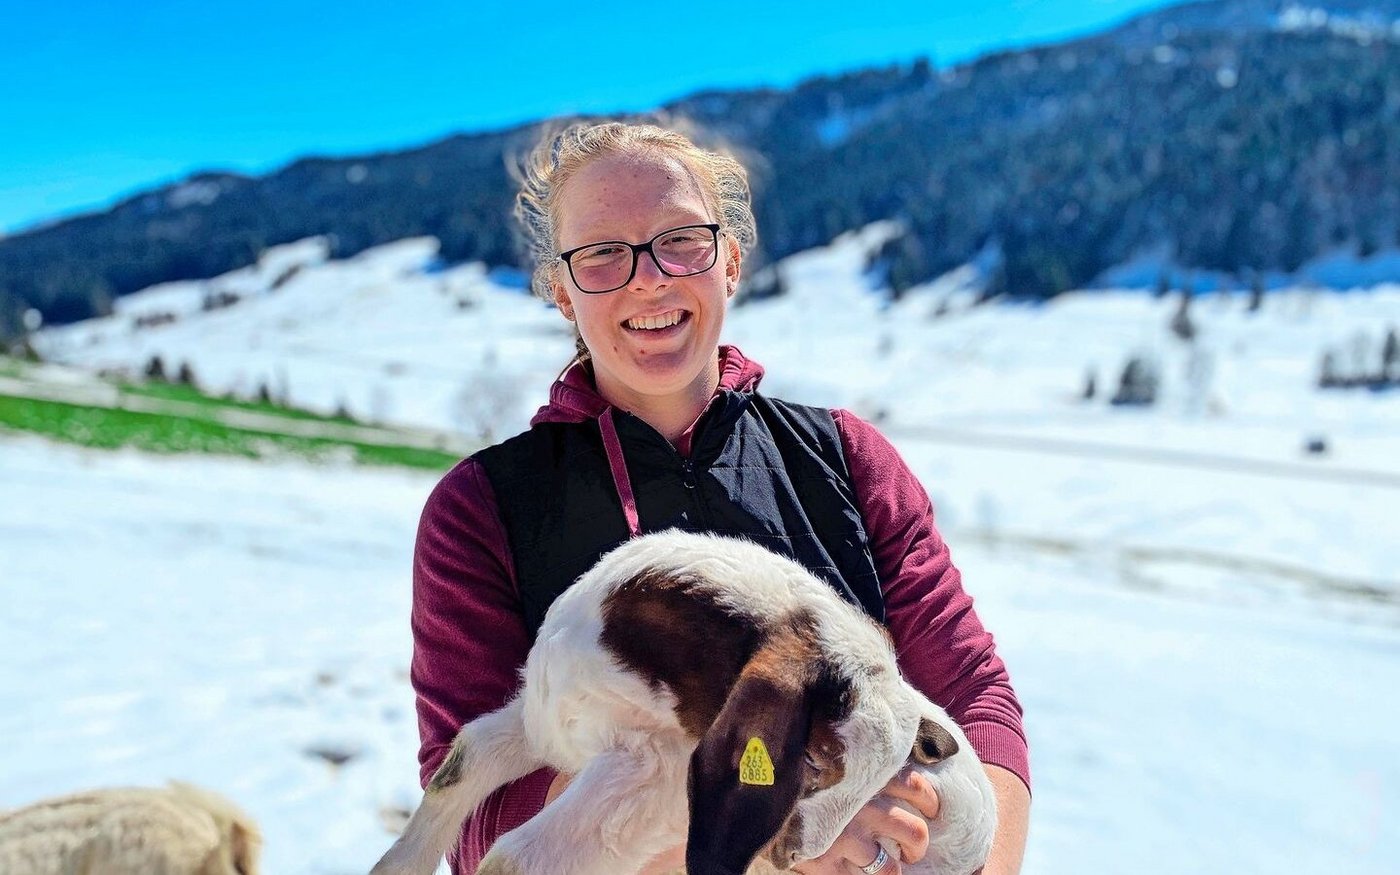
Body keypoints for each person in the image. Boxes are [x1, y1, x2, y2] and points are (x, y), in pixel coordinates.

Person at [410, 120, 1030, 875]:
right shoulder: (484, 509)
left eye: (682, 240)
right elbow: (477, 827)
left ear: (730, 261)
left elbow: (977, 696)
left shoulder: (846, 459)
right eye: (603, 253)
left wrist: (978, 863)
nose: (650, 277)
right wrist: (770, 821)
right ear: (562, 293)